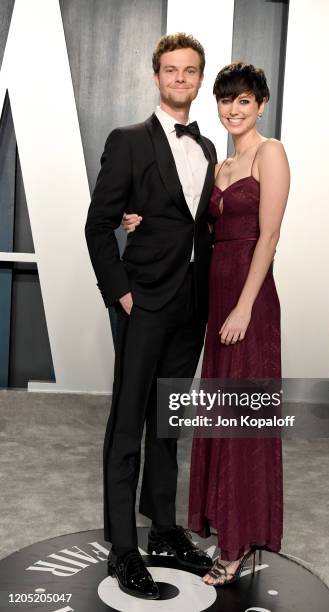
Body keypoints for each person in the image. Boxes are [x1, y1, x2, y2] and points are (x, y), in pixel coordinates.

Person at [123, 61, 290, 587]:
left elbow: (268, 237)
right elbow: (188, 220)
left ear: (261, 105)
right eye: (226, 100)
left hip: (248, 300)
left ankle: (239, 545)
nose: (233, 109)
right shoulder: (219, 164)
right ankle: (228, 524)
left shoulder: (271, 153)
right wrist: (139, 218)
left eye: (244, 100)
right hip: (212, 301)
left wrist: (243, 306)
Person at [85, 33, 216, 600]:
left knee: (168, 423)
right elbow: (98, 225)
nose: (180, 79)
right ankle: (122, 548)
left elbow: (196, 226)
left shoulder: (208, 149)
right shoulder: (129, 140)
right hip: (143, 303)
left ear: (199, 78)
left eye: (190, 71)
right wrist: (121, 294)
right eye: (171, 70)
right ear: (157, 77)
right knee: (127, 425)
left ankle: (163, 529)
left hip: (190, 306)